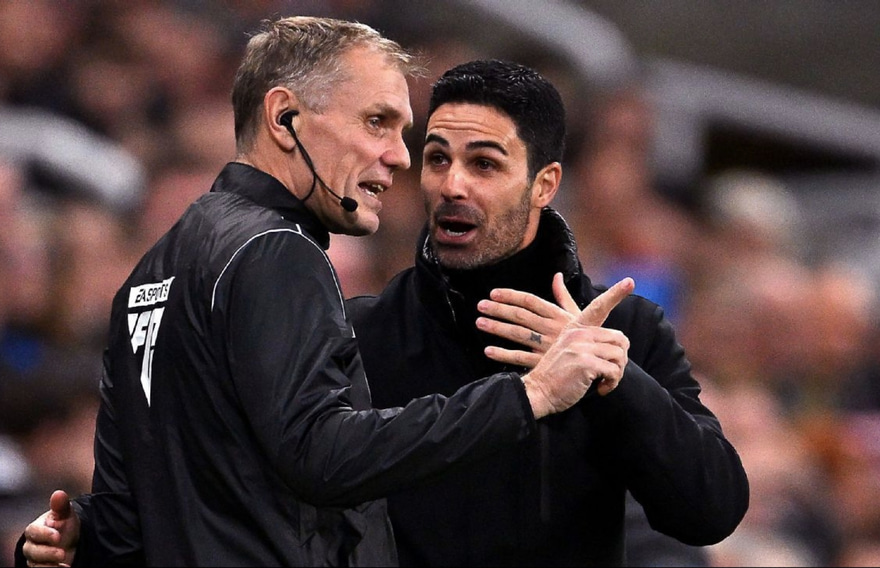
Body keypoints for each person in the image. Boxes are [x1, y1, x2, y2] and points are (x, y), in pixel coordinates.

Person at [20, 57, 747, 566]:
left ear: (544, 183)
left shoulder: (622, 333)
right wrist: (93, 536)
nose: (451, 185)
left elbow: (710, 510)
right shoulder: (357, 329)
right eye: (436, 158)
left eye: (485, 164)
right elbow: (233, 491)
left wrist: (618, 384)